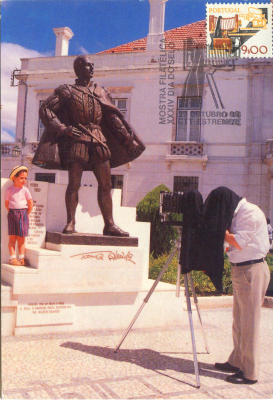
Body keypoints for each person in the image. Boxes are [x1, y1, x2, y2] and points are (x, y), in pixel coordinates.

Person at [33, 55, 145, 236]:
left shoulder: (100, 91)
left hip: (99, 140)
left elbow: (112, 118)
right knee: (74, 184)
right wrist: (62, 129)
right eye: (87, 66)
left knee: (106, 184)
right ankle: (70, 222)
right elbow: (45, 110)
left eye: (92, 66)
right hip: (77, 140)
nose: (92, 69)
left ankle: (109, 224)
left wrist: (127, 139)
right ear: (78, 68)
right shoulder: (66, 91)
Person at [206, 187, 270, 384]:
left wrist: (219, 230)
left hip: (251, 270)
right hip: (241, 270)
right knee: (239, 320)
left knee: (249, 322)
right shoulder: (235, 214)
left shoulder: (250, 213)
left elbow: (239, 242)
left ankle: (250, 373)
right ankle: (236, 361)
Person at [5, 165, 33, 266]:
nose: (24, 180)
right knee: (12, 238)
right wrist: (12, 212)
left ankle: (21, 258)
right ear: (14, 178)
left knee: (21, 238)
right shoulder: (9, 190)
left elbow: (30, 203)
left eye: (25, 178)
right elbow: (7, 203)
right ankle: (12, 258)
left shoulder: (25, 190)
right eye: (21, 178)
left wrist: (25, 214)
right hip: (12, 214)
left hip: (23, 214)